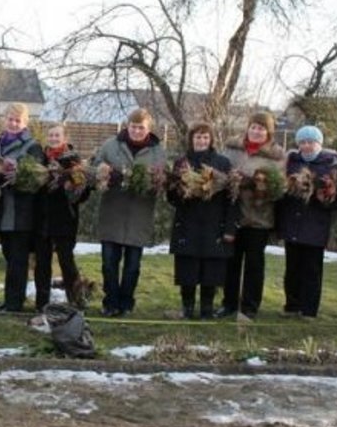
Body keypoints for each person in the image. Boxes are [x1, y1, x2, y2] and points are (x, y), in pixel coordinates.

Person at [94, 108, 166, 317]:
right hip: (112, 212)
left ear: (148, 129)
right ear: (127, 126)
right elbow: (95, 166)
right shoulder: (111, 145)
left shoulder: (157, 151)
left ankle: (126, 302)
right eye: (133, 126)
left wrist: (153, 181)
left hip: (139, 215)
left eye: (141, 127)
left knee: (132, 266)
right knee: (109, 263)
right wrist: (105, 173)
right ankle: (110, 302)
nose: (136, 131)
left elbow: (163, 178)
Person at [217, 111, 285, 320]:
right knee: (231, 262)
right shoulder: (231, 149)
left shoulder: (276, 156)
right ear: (248, 128)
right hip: (233, 215)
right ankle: (228, 303)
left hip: (259, 217)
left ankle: (250, 306)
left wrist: (257, 185)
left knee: (254, 264)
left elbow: (279, 187)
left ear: (269, 132)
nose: (257, 131)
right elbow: (219, 173)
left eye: (262, 128)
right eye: (254, 127)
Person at [167, 122, 238, 319]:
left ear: (211, 140)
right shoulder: (181, 163)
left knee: (211, 270)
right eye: (198, 137)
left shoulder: (223, 163)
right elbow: (172, 198)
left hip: (214, 223)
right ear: (191, 139)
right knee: (187, 268)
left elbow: (232, 198)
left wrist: (230, 228)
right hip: (187, 222)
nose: (201, 140)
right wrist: (179, 190)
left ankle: (207, 308)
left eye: (205, 137)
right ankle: (187, 307)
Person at [277, 126, 337, 319]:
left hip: (315, 224)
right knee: (292, 268)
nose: (306, 146)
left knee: (312, 269)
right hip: (292, 222)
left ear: (319, 144)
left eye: (310, 142)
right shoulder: (291, 162)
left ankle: (309, 309)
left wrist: (325, 197)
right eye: (302, 142)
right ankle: (292, 305)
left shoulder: (330, 165)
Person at [0, 103, 45, 312]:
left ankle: (15, 303)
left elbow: (37, 177)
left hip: (21, 211)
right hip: (2, 208)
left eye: (17, 120)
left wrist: (16, 173)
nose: (13, 123)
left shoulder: (32, 146)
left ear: (25, 123)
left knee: (18, 259)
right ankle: (9, 299)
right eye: (10, 119)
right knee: (8, 255)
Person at [34, 123, 90, 311]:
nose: (53, 138)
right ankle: (42, 302)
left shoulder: (74, 161)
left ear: (64, 138)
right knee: (42, 261)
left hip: (66, 217)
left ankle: (75, 300)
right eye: (50, 135)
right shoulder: (39, 159)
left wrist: (71, 187)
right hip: (42, 217)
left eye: (57, 135)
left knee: (66, 260)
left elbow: (84, 193)